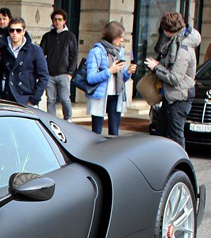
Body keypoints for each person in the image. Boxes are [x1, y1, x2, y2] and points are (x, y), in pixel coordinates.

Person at [144, 11, 201, 149]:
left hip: (179, 97)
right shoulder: (175, 41)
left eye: (164, 30)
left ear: (169, 30)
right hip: (171, 96)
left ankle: (182, 167)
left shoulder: (183, 49)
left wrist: (156, 67)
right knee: (161, 133)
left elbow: (175, 78)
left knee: (175, 136)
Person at [85, 21, 136, 136]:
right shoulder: (96, 51)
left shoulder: (119, 52)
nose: (121, 40)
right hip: (100, 95)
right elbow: (90, 77)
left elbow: (121, 77)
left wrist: (127, 73)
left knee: (114, 132)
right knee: (96, 132)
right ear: (112, 35)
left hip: (116, 94)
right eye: (119, 37)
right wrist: (109, 71)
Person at [0, 16, 49, 106]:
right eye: (12, 30)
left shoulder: (35, 50)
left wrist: (34, 99)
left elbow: (44, 77)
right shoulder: (3, 49)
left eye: (18, 30)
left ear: (24, 31)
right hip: (7, 99)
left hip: (27, 98)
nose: (15, 33)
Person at [39, 8, 78, 119]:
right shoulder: (47, 36)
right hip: (50, 74)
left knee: (65, 99)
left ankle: (68, 118)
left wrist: (70, 72)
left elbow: (74, 55)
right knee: (50, 100)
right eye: (55, 19)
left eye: (60, 20)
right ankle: (52, 120)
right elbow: (41, 54)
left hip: (64, 73)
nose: (57, 22)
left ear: (64, 21)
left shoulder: (70, 36)